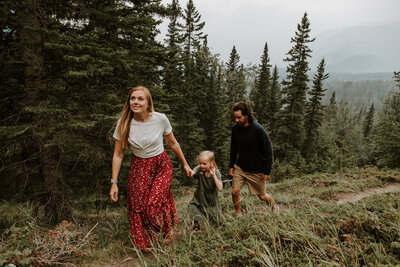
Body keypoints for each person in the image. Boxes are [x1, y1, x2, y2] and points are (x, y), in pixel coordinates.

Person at [109, 86, 192, 252]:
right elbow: (118, 154)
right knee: (137, 205)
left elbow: (172, 143)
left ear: (148, 103)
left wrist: (184, 163)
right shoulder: (124, 123)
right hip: (139, 166)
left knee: (152, 204)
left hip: (161, 165)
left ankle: (167, 229)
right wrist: (114, 182)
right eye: (133, 98)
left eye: (140, 99)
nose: (136, 102)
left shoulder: (160, 119)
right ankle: (145, 241)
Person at [229, 102, 278, 216]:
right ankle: (239, 214)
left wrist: (267, 170)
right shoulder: (235, 129)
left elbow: (268, 150)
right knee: (235, 191)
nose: (236, 120)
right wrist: (231, 165)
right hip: (240, 167)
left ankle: (274, 207)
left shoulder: (258, 129)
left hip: (256, 170)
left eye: (239, 117)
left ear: (246, 115)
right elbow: (233, 148)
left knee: (262, 196)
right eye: (235, 117)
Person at [187, 151, 223, 230]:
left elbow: (220, 188)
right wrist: (191, 172)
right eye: (200, 163)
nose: (201, 165)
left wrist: (213, 175)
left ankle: (218, 227)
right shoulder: (199, 169)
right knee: (192, 207)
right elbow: (194, 171)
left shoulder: (216, 173)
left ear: (211, 163)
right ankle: (196, 227)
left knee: (215, 219)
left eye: (204, 164)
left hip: (210, 199)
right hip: (199, 197)